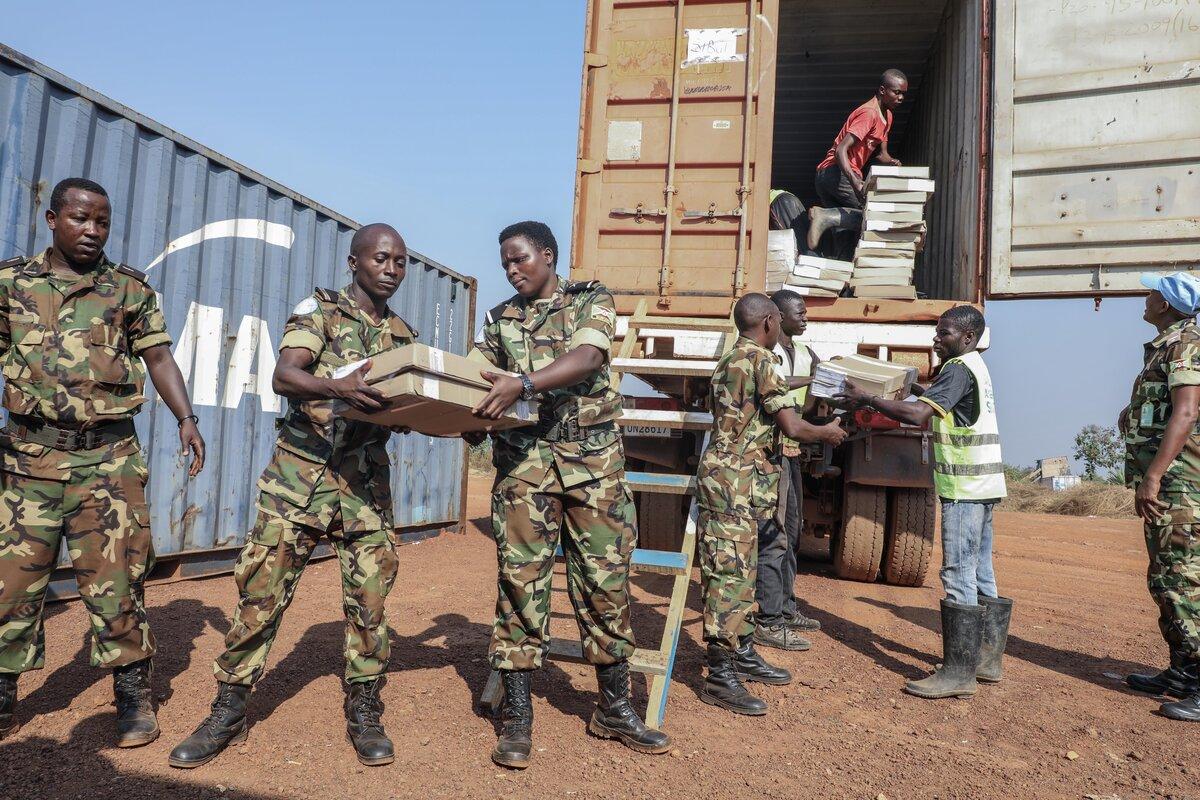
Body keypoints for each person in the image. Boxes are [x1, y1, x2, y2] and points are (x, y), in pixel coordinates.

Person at [168, 223, 414, 768]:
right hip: (298, 481)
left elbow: (404, 404)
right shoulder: (319, 311)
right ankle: (227, 711)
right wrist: (338, 387)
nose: (391, 269)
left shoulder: (402, 336)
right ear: (354, 263)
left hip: (365, 487)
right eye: (380, 259)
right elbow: (285, 376)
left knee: (370, 603)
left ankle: (366, 708)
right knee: (260, 599)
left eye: (399, 262)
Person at [0, 177, 205, 747]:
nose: (92, 231)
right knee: (11, 585)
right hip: (26, 460)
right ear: (52, 218)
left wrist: (186, 418)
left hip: (107, 461)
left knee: (118, 581)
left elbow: (158, 356)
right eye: (81, 218)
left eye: (103, 222)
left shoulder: (127, 290)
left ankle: (132, 696)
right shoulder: (10, 284)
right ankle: (2, 691)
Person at [467, 220, 671, 769]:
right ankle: (516, 716)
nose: (512, 271)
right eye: (505, 263)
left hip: (593, 468)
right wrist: (462, 413)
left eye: (520, 260)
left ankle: (613, 708)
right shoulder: (498, 321)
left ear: (548, 256)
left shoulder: (591, 300)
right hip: (525, 470)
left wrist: (524, 383)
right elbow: (475, 379)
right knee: (520, 584)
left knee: (604, 585)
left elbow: (588, 358)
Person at [835, 305, 1011, 700]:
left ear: (967, 338)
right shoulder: (974, 367)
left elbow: (917, 417)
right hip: (982, 486)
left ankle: (958, 672)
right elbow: (935, 404)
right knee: (981, 572)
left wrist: (867, 398)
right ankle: (986, 661)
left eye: (944, 333)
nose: (936, 338)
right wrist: (912, 388)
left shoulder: (958, 369)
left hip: (964, 490)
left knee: (958, 574)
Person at [696, 293, 845, 716]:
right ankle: (720, 675)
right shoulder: (762, 361)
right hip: (732, 485)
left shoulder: (733, 359)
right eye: (780, 319)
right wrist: (828, 432)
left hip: (736, 481)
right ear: (768, 321)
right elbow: (792, 425)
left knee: (740, 571)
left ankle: (742, 652)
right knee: (728, 576)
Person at [1121, 272, 1200, 723]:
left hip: (1179, 486)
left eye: (1152, 292)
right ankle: (1181, 673)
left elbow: (1186, 412)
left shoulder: (1186, 344)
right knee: (1164, 579)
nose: (1146, 298)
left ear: (1166, 304)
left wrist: (1153, 476)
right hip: (1168, 486)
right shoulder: (1168, 346)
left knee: (1183, 582)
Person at [753, 290, 823, 652]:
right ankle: (770, 616)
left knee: (792, 531)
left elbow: (811, 399)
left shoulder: (807, 354)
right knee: (775, 534)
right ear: (776, 316)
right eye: (800, 311)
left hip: (792, 452)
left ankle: (787, 607)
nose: (805, 316)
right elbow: (778, 396)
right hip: (774, 450)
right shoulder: (763, 355)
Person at [807, 69, 907, 254]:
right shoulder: (869, 113)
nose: (900, 97)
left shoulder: (888, 116)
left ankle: (840, 277)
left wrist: (892, 161)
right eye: (897, 92)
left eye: (903, 94)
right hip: (837, 173)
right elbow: (840, 150)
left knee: (845, 235)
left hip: (830, 176)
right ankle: (825, 216)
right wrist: (854, 181)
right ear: (883, 90)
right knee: (871, 216)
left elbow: (881, 154)